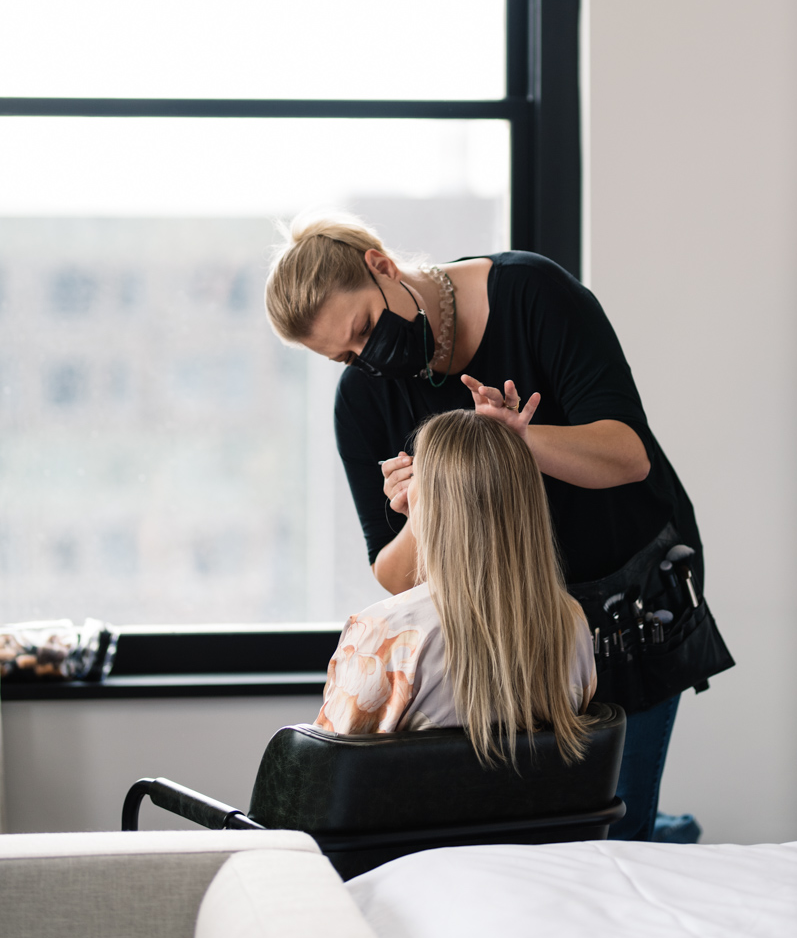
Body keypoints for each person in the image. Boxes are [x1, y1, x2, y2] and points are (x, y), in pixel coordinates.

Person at [266, 214, 733, 840]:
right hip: (516, 624)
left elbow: (628, 454)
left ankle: (657, 830)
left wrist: (518, 441)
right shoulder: (361, 400)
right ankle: (666, 830)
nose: (366, 360)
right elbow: (393, 572)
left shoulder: (531, 294)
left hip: (629, 594)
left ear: (381, 266)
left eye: (365, 331)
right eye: (345, 355)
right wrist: (424, 511)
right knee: (532, 827)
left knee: (614, 825)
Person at [315, 408, 595, 765]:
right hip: (530, 821)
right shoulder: (570, 622)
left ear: (429, 504)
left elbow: (323, 779)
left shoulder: (383, 635)